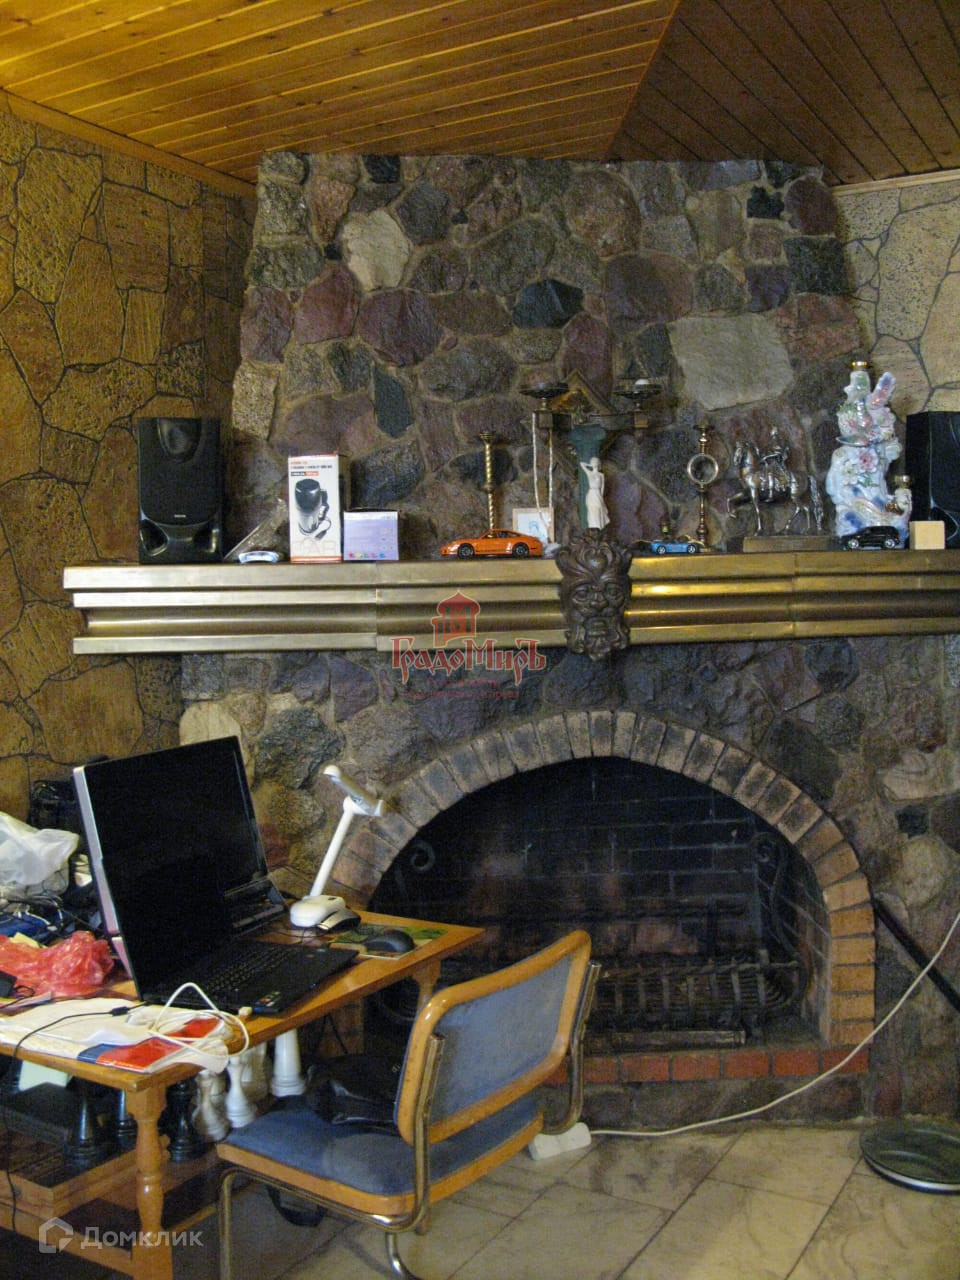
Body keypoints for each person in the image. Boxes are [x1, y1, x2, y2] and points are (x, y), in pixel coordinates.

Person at [580, 456, 609, 529]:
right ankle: (593, 526)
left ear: (598, 463)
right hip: (591, 493)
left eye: (596, 462)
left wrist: (601, 496)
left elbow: (602, 487)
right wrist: (589, 465)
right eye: (593, 462)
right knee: (592, 509)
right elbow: (581, 464)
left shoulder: (601, 475)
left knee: (599, 508)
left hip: (597, 493)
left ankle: (599, 526)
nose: (594, 463)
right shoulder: (589, 473)